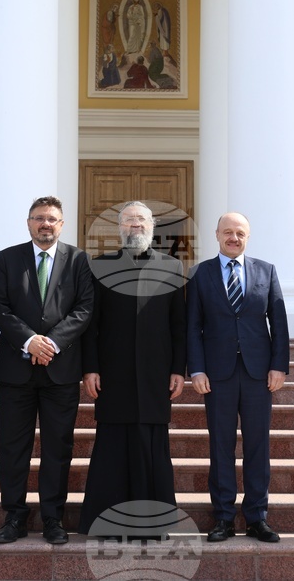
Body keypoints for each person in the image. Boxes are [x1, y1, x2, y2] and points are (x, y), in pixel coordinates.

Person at [0, 196, 94, 546]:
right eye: (39, 218)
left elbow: (84, 308)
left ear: (61, 225)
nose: (45, 224)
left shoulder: (78, 260)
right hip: (16, 370)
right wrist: (30, 341)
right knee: (12, 446)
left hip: (60, 371)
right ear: (29, 222)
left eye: (51, 219)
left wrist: (50, 344)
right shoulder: (8, 258)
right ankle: (14, 516)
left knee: (57, 448)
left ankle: (53, 518)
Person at [77, 201, 187, 537]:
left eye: (141, 219)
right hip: (113, 372)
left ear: (152, 225)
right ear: (119, 227)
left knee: (152, 446)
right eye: (128, 220)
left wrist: (178, 369)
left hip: (156, 374)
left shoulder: (172, 266)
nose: (135, 225)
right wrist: (90, 368)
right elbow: (90, 325)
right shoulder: (100, 266)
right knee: (111, 447)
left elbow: (179, 324)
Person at [186, 212, 289, 543]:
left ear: (248, 236)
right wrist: (197, 369)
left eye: (240, 233)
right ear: (217, 234)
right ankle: (224, 518)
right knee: (221, 446)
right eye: (228, 232)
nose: (233, 237)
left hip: (259, 374)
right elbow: (192, 327)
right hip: (217, 375)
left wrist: (279, 365)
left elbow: (279, 322)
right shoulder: (200, 274)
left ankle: (257, 517)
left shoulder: (266, 271)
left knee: (258, 446)